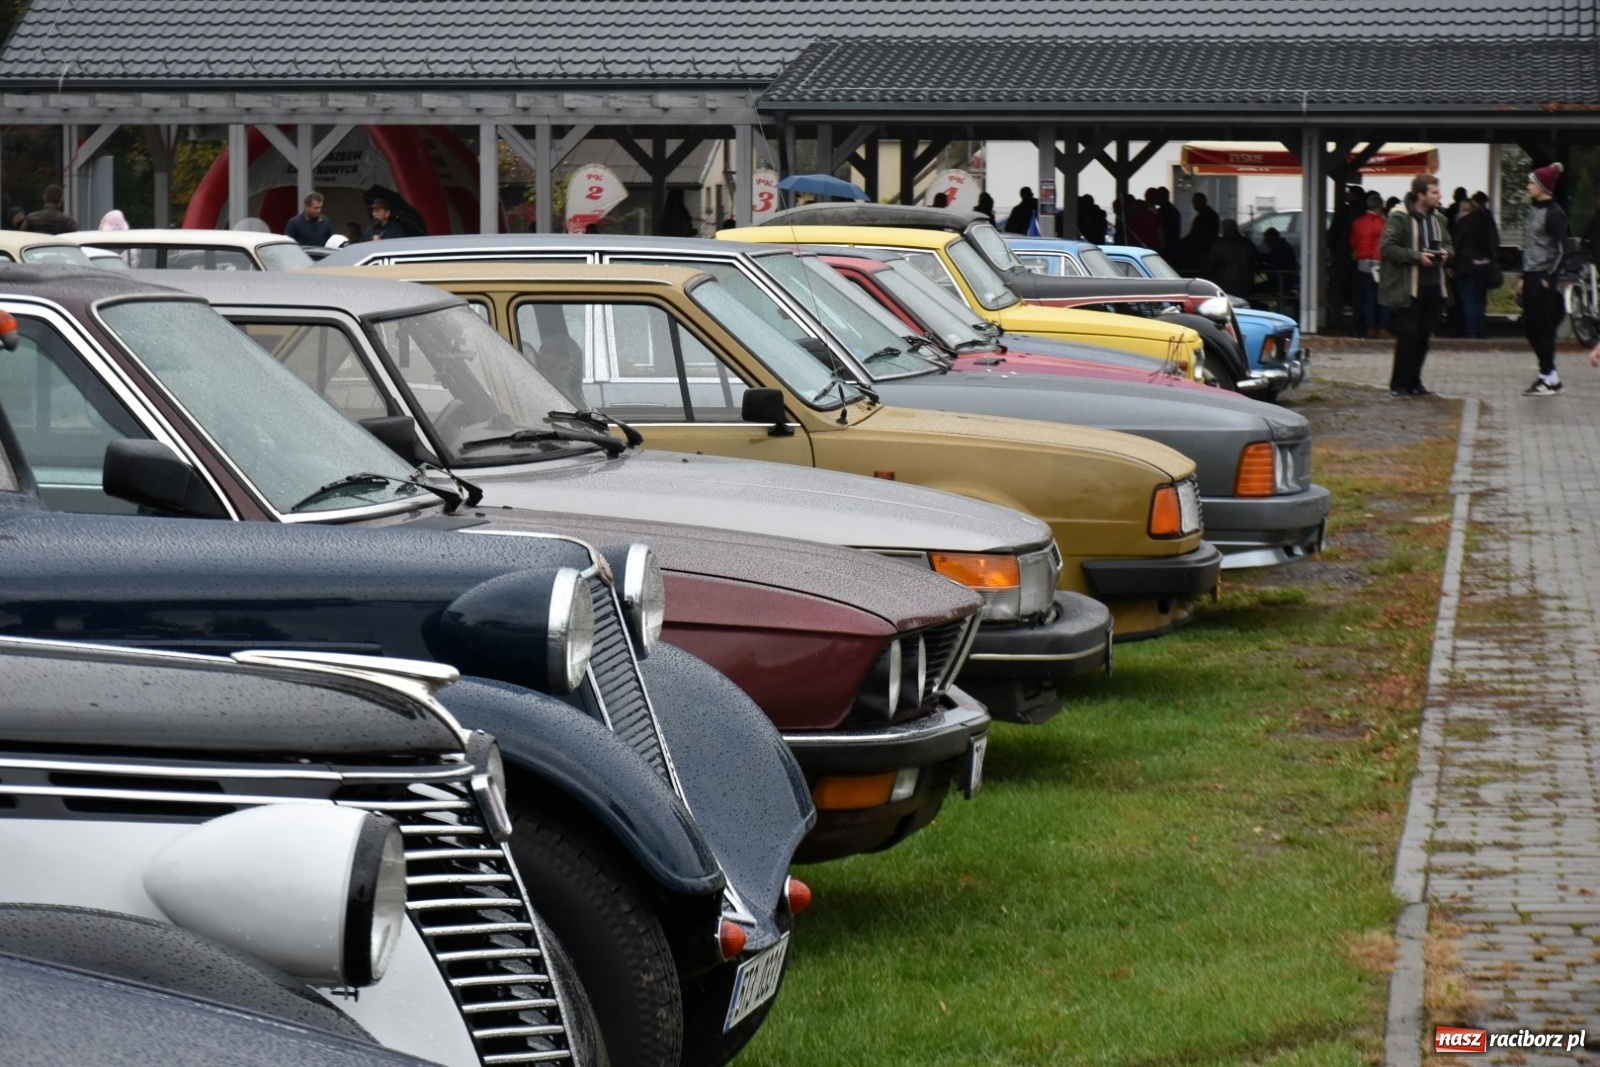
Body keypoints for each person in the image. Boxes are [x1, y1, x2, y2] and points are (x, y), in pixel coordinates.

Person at [1380, 173, 1452, 398]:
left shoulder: (1439, 218)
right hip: (1408, 287)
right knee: (1407, 336)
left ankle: (1415, 381)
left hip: (1433, 285)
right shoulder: (1400, 217)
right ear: (1421, 195)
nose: (1439, 196)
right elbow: (1387, 248)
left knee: (1423, 336)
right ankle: (1398, 384)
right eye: (1435, 192)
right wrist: (1415, 256)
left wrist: (1447, 252)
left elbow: (1449, 242)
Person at [1519, 162, 1569, 396]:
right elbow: (1530, 246)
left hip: (1542, 278)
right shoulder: (1535, 210)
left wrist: (1550, 277)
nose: (1528, 186)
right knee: (1531, 329)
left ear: (1542, 186)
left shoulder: (1554, 213)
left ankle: (1545, 377)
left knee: (1543, 329)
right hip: (1530, 275)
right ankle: (1551, 376)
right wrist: (1523, 275)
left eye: (1531, 182)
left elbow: (1562, 249)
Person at [1451, 197, 1499, 339]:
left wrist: (1451, 264)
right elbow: (1492, 241)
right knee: (1478, 298)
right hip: (1483, 263)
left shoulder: (1462, 223)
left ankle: (1471, 329)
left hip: (1465, 264)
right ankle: (1481, 329)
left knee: (1467, 298)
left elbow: (1456, 245)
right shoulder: (1484, 222)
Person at [1351, 191, 1387, 337]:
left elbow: (1352, 243)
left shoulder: (1357, 222)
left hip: (1362, 263)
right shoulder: (1383, 223)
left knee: (1368, 297)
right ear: (1380, 208)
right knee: (1384, 297)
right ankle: (1383, 327)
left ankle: (1370, 327)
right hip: (1379, 264)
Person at [1205, 218, 1258, 299]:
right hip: (1244, 283)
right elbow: (1256, 264)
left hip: (1222, 282)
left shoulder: (1217, 245)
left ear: (1224, 229)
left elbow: (1210, 266)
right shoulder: (1247, 244)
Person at [1150, 187, 1180, 253]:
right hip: (1171, 245)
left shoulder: (1165, 211)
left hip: (1166, 245)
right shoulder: (1172, 210)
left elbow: (1164, 229)